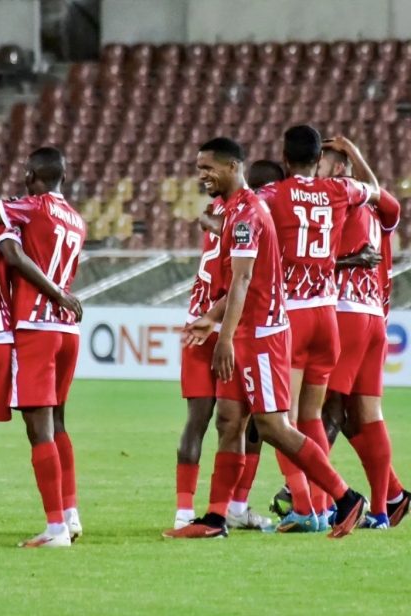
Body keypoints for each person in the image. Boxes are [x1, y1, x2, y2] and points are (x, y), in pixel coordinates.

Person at [164, 137, 366, 540]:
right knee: (228, 421)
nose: (202, 175)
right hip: (243, 330)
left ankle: (346, 498)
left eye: (208, 168)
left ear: (233, 166)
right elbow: (242, 283)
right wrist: (212, 319)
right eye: (199, 167)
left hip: (262, 336)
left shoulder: (247, 213)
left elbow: (241, 280)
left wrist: (221, 337)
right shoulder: (237, 209)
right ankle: (217, 519)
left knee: (273, 426)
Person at [0, 145, 84, 548]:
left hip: (38, 326)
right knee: (58, 422)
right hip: (67, 332)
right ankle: (70, 513)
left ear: (34, 176)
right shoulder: (77, 219)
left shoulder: (33, 207)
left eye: (26, 173)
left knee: (39, 427)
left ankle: (55, 528)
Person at [255, 127, 380, 532]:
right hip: (329, 317)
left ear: (285, 158)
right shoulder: (339, 190)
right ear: (314, 158)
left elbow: (241, 214)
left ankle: (308, 509)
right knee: (309, 416)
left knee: (279, 422)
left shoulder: (273, 195)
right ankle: (326, 507)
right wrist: (356, 155)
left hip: (292, 316)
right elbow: (375, 192)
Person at [173, 161, 283, 532]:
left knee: (200, 422)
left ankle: (186, 512)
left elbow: (219, 232)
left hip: (199, 316)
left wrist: (207, 223)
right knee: (244, 423)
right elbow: (244, 279)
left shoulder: (222, 212)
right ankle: (235, 505)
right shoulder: (249, 215)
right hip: (230, 327)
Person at [317, 146, 410, 528]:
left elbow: (317, 257)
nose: (314, 171)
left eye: (321, 163)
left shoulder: (339, 200)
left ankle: (317, 501)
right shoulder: (375, 210)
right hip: (373, 315)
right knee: (364, 415)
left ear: (338, 170)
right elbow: (392, 204)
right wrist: (356, 156)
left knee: (328, 410)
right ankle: (385, 504)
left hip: (347, 311)